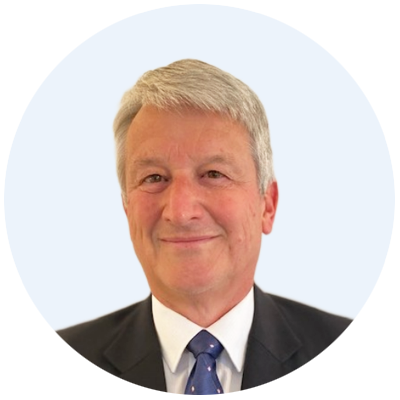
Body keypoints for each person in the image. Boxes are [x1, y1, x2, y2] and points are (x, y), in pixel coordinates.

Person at [56, 59, 353, 399]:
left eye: (213, 174)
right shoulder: (52, 368)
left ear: (267, 205)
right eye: (154, 178)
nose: (181, 212)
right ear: (127, 208)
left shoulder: (364, 360)